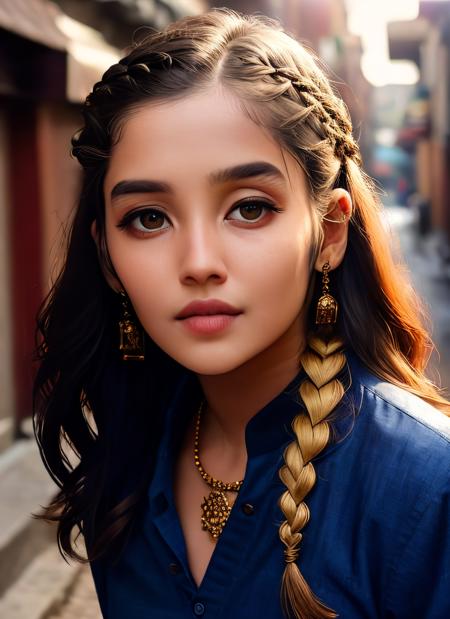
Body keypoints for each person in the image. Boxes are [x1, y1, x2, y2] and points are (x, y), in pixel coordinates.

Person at [33, 8, 450, 619]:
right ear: (107, 254)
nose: (199, 262)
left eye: (249, 208)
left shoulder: (428, 490)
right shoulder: (124, 466)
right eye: (149, 217)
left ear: (330, 230)